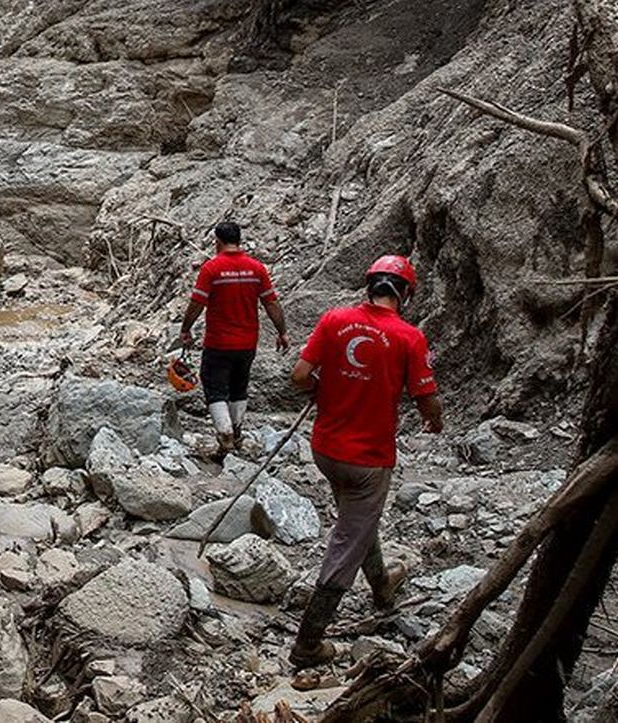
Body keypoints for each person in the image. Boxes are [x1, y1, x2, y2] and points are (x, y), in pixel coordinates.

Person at [287, 254, 443, 669]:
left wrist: (325, 390)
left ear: (369, 284)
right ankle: (307, 643)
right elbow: (426, 397)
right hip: (369, 458)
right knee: (347, 538)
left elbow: (301, 375)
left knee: (358, 521)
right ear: (405, 293)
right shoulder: (409, 337)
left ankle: (382, 590)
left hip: (325, 450)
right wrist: (435, 421)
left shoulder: (334, 320)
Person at [179, 222, 290, 454]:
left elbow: (197, 302)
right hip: (248, 343)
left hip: (219, 342)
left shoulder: (211, 269)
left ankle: (225, 433)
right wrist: (282, 332)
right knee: (239, 386)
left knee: (215, 387)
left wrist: (185, 329)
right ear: (238, 240)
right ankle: (236, 430)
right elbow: (271, 302)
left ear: (217, 241)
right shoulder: (256, 268)